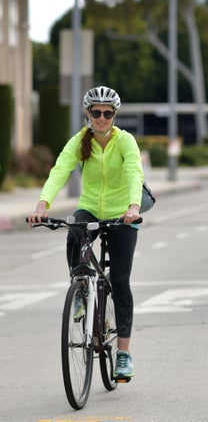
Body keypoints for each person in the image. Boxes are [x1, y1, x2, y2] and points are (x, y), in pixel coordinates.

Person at [27, 85, 142, 381]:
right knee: (73, 232)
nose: (101, 118)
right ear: (88, 114)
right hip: (90, 207)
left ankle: (124, 354)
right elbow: (60, 170)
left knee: (119, 280)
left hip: (122, 214)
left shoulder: (125, 141)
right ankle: (80, 288)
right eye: (96, 112)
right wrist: (42, 204)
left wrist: (132, 206)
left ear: (114, 115)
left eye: (107, 113)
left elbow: (134, 173)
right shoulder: (80, 141)